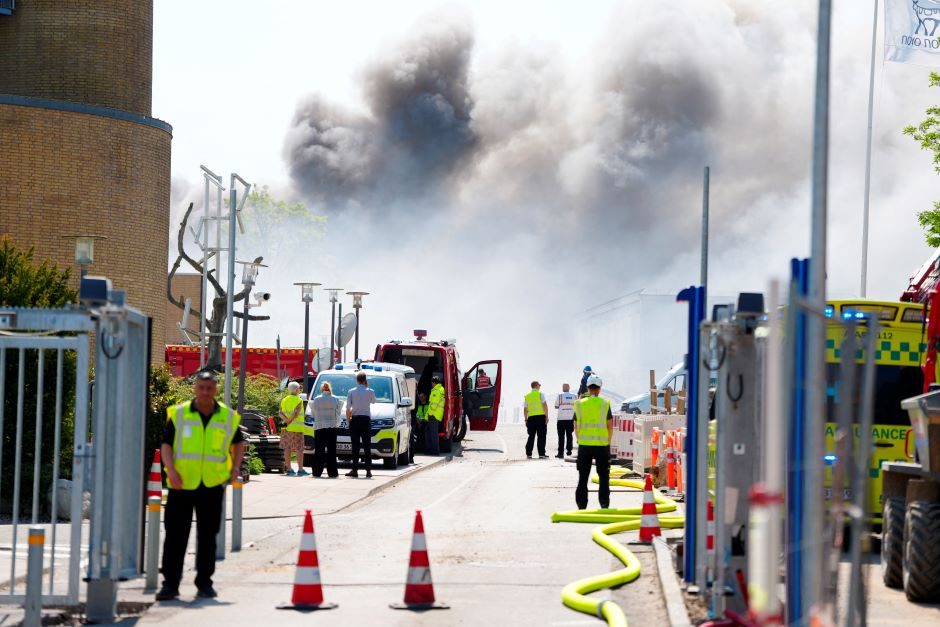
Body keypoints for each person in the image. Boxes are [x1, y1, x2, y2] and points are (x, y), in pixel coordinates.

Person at [156, 370, 245, 601]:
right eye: (201, 387)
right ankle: (170, 584)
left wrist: (235, 467)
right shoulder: (180, 413)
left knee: (208, 536)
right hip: (181, 484)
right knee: (175, 536)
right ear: (195, 388)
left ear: (215, 390)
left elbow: (239, 443)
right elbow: (166, 445)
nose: (205, 392)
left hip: (212, 484)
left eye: (209, 388)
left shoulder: (227, 417)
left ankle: (204, 583)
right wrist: (171, 470)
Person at [574, 374, 614, 510]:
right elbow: (610, 425)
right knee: (604, 478)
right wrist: (607, 442)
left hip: (584, 446)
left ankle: (581, 506)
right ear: (599, 389)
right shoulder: (605, 404)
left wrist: (579, 439)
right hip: (602, 446)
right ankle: (604, 505)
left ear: (588, 387)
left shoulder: (579, 404)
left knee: (583, 478)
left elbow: (576, 425)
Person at [345, 372, 376, 478]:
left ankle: (354, 470)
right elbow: (374, 401)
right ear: (365, 380)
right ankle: (368, 470)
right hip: (366, 420)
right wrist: (367, 387)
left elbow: (348, 408)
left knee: (355, 447)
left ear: (357, 380)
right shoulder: (370, 391)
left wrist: (349, 421)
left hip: (355, 419)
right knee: (367, 446)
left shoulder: (351, 392)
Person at [309, 381, 343, 478]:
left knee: (319, 450)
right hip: (332, 426)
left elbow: (313, 413)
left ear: (322, 389)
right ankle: (332, 473)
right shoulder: (335, 399)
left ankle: (317, 471)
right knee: (332, 451)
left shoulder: (316, 399)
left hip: (319, 426)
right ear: (329, 389)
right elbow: (339, 412)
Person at [279, 381, 307, 476]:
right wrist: (289, 421)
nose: (299, 390)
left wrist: (286, 421)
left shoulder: (284, 400)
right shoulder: (299, 400)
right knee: (299, 449)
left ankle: (289, 469)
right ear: (296, 390)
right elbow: (296, 413)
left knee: (287, 448)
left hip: (286, 429)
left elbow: (280, 413)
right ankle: (300, 469)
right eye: (299, 388)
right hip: (297, 428)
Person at [524, 381, 549, 459]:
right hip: (541, 418)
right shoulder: (541, 394)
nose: (540, 386)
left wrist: (525, 419)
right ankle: (541, 454)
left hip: (531, 418)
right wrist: (546, 416)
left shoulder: (527, 396)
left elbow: (525, 409)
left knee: (531, 436)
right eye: (539, 385)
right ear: (536, 386)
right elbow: (545, 405)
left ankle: (529, 454)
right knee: (541, 436)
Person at [555, 383, 577, 458]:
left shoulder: (560, 395)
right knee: (569, 435)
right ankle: (569, 451)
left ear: (563, 388)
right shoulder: (574, 396)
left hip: (561, 418)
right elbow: (577, 406)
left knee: (561, 436)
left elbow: (556, 406)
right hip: (570, 419)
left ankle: (560, 453)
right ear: (569, 388)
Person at [426, 376, 445, 455]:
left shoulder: (436, 391)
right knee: (428, 431)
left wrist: (429, 414)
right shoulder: (440, 389)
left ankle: (435, 451)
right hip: (436, 415)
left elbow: (433, 405)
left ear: (434, 382)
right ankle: (431, 449)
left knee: (433, 434)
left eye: (432, 382)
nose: (431, 384)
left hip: (434, 415)